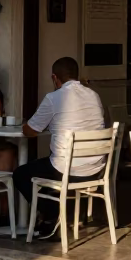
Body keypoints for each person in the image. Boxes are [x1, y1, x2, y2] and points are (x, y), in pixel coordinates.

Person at [14, 56, 108, 238]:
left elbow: (30, 131)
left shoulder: (53, 98)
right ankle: (53, 211)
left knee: (21, 174)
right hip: (95, 169)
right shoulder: (93, 95)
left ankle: (51, 214)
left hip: (68, 171)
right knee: (50, 160)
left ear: (54, 78)